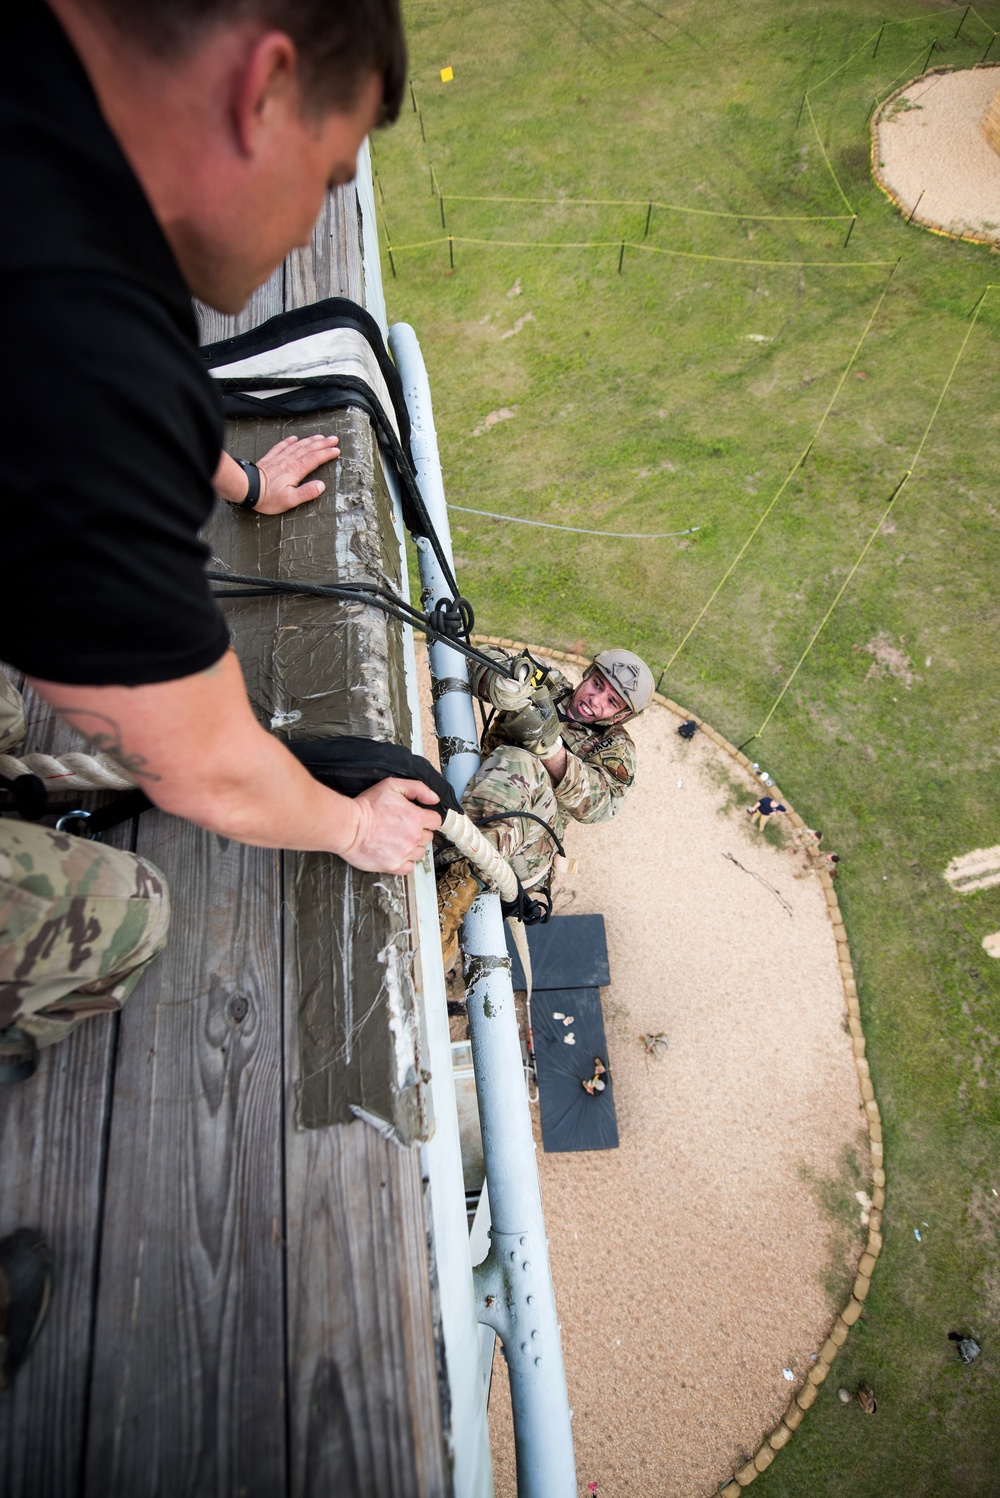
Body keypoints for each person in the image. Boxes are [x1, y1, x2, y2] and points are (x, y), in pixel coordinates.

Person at [1, 0, 433, 1380]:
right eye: (333, 169)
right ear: (265, 89)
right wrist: (353, 829)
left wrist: (234, 477)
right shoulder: (69, 336)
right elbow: (203, 765)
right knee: (112, 915)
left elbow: (92, 388)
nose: (321, 213)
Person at [436, 648, 654, 967]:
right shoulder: (548, 686)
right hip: (482, 797)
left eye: (611, 702)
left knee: (524, 763)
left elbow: (601, 803)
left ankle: (451, 897)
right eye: (597, 685)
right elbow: (479, 659)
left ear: (621, 717)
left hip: (527, 844)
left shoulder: (614, 749)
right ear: (587, 675)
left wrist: (551, 751)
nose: (596, 700)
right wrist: (500, 682)